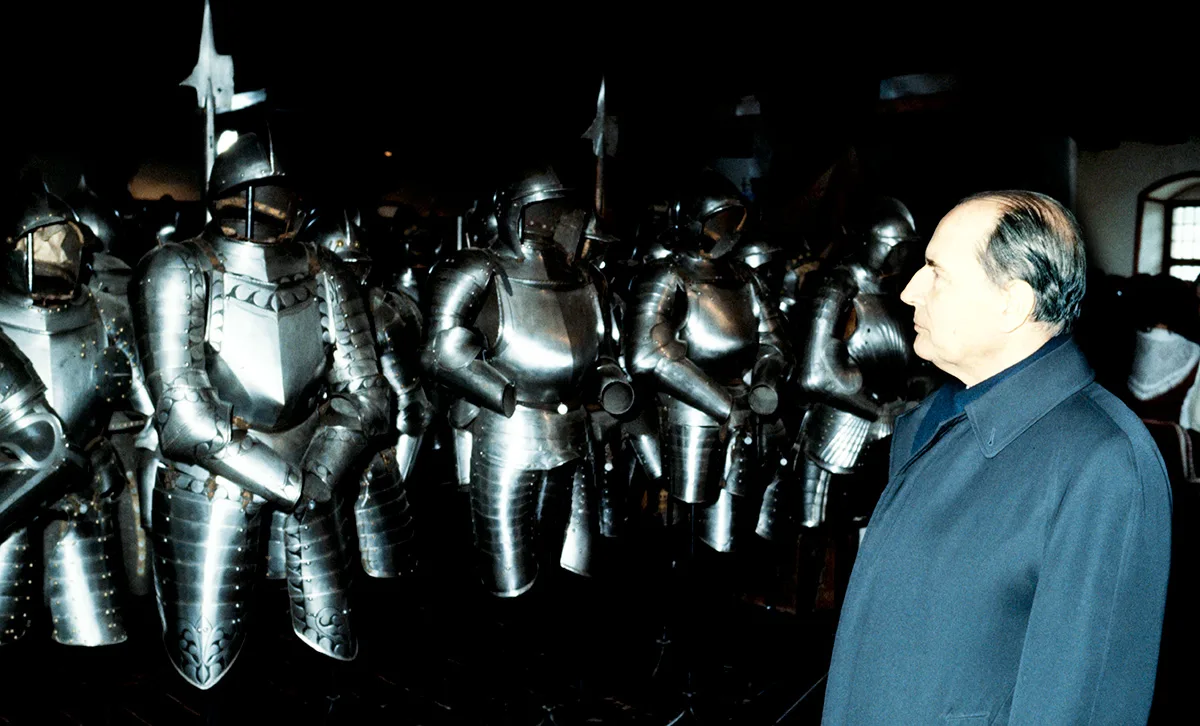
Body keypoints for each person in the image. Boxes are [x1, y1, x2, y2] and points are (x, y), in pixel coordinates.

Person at [822, 191, 1172, 724]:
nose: (911, 289)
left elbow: (1088, 703)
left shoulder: (1104, 462)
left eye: (936, 272)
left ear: (1013, 303)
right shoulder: (931, 420)